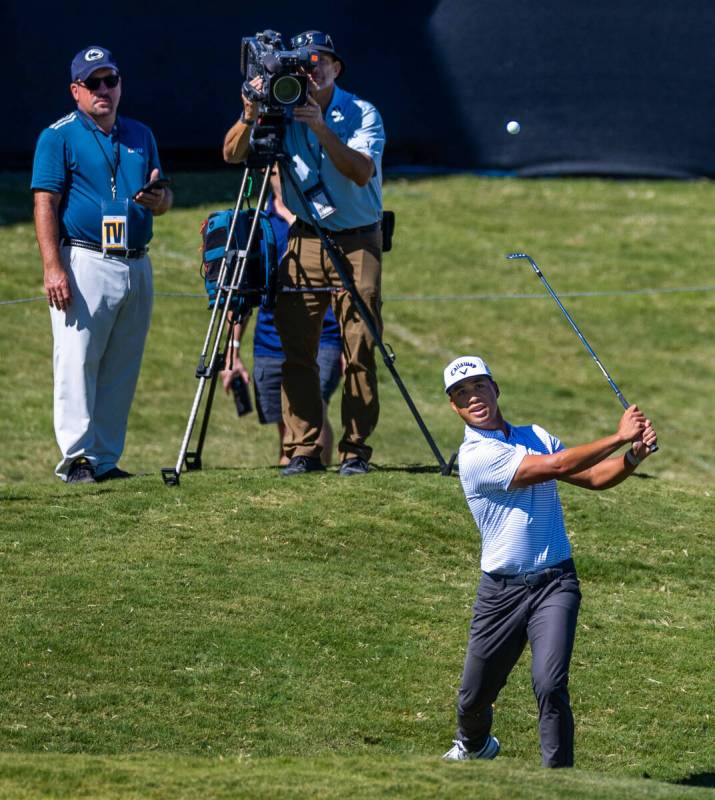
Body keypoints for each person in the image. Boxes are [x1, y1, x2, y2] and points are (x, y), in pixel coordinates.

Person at [441, 355, 657, 767]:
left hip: (555, 583)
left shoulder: (535, 435)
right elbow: (555, 466)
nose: (474, 397)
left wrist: (632, 457)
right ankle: (474, 744)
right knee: (474, 697)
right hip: (500, 593)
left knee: (550, 683)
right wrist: (617, 437)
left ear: (495, 388)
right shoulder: (475, 456)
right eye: (462, 394)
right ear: (455, 408)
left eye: (479, 386)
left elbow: (591, 477)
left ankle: (559, 780)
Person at [223, 30, 385, 477]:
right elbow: (232, 154)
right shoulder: (281, 105)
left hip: (357, 238)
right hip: (305, 235)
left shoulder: (361, 112)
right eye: (303, 64)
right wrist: (250, 110)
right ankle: (304, 448)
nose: (311, 71)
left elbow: (359, 171)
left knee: (360, 345)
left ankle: (355, 450)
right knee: (297, 348)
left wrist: (318, 126)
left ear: (335, 68)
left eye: (319, 63)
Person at [32, 46, 172, 483]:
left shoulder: (140, 134)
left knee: (122, 366)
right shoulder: (57, 136)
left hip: (135, 261)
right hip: (85, 259)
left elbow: (165, 199)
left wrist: (159, 199)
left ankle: (105, 459)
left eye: (110, 80)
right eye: (93, 83)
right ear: (76, 90)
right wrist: (52, 266)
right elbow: (44, 202)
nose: (104, 90)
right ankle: (75, 458)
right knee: (77, 361)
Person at [221, 182, 343, 465]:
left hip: (323, 337)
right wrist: (233, 349)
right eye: (274, 169)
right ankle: (294, 475)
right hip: (270, 341)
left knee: (312, 409)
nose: (280, 175)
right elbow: (244, 288)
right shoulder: (258, 223)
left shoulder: (322, 213)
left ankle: (315, 470)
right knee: (285, 427)